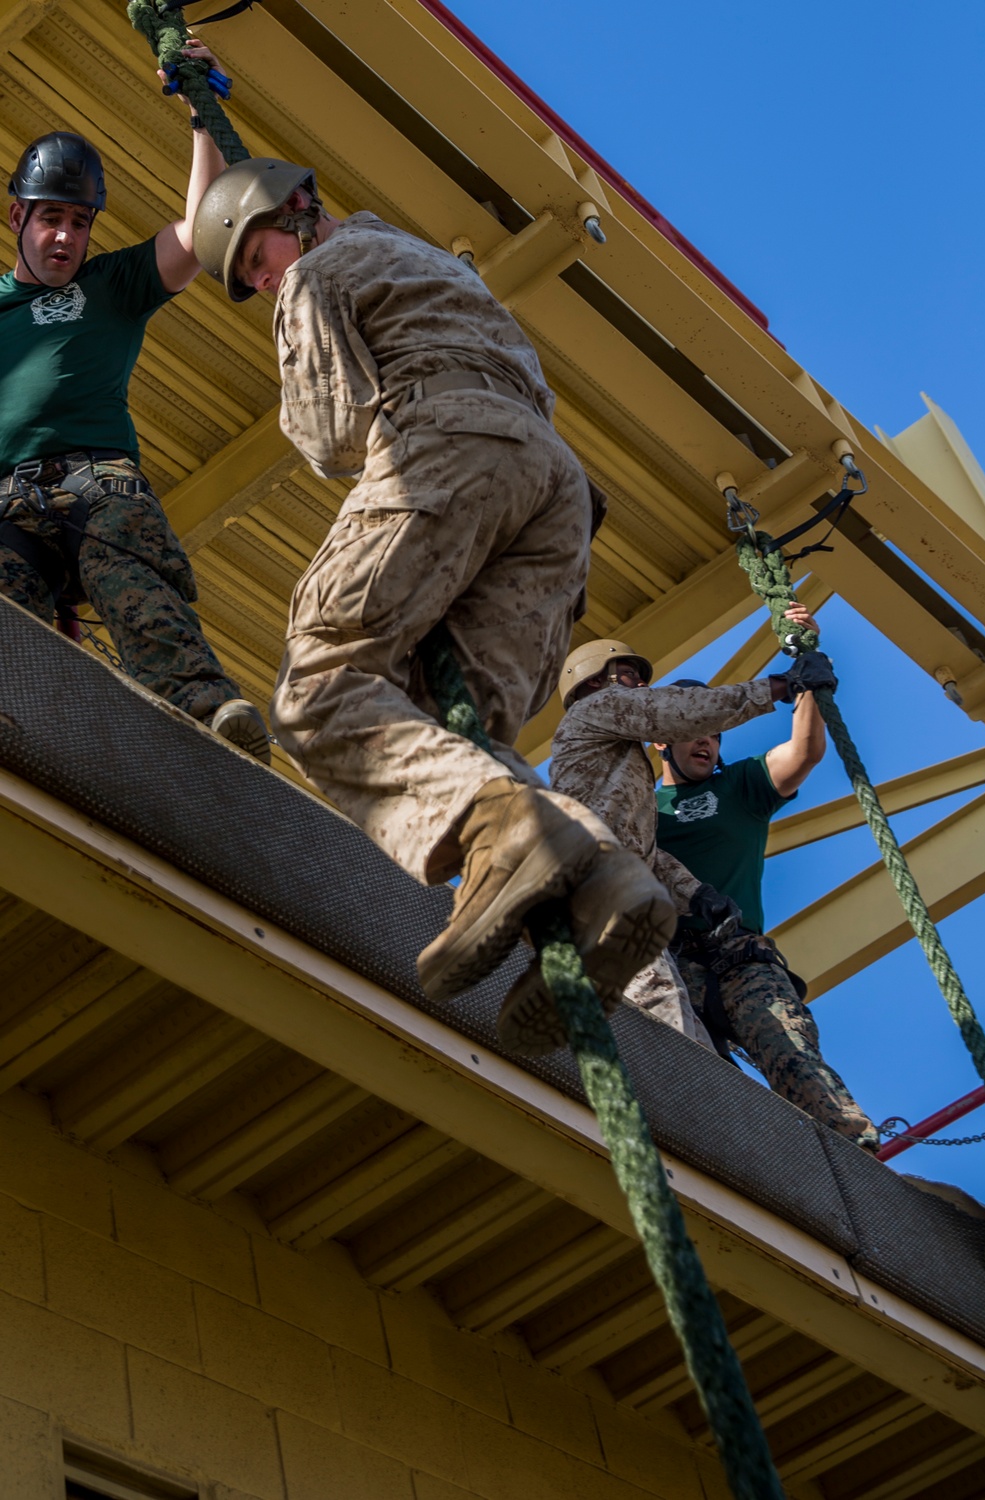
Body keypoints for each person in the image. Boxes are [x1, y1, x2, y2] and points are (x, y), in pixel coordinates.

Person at [192, 159, 674, 1009]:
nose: (265, 283)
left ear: (289, 215)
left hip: (448, 445)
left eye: (255, 261)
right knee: (447, 730)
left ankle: (517, 840)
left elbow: (331, 434)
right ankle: (602, 884)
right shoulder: (433, 263)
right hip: (554, 493)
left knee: (321, 682)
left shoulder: (314, 272)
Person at [0, 42, 269, 762]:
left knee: (135, 583)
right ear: (17, 217)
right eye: (51, 217)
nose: (65, 236)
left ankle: (209, 721)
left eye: (79, 222)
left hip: (99, 485)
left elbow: (203, 232)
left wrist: (201, 114)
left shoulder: (112, 285)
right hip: (7, 505)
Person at [655, 607, 879, 1150]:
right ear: (660, 740)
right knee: (683, 1074)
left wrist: (806, 670)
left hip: (738, 958)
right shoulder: (636, 809)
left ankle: (856, 1153)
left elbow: (803, 753)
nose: (706, 741)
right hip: (671, 966)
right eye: (692, 731)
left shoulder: (740, 787)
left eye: (713, 731)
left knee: (791, 1053)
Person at [505, 637, 793, 1055]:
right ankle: (687, 1109)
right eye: (627, 674)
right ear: (591, 683)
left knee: (683, 1027)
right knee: (664, 1013)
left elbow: (638, 850)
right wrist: (778, 687)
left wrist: (696, 894)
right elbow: (681, 713)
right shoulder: (595, 709)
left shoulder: (618, 764)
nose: (640, 684)